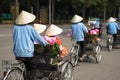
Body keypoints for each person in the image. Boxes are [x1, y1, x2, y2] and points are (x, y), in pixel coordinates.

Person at [13, 10, 48, 79]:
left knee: (27, 65)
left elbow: (15, 38)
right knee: (33, 67)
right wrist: (46, 43)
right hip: (27, 53)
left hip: (17, 52)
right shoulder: (30, 28)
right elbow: (38, 38)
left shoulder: (15, 28)